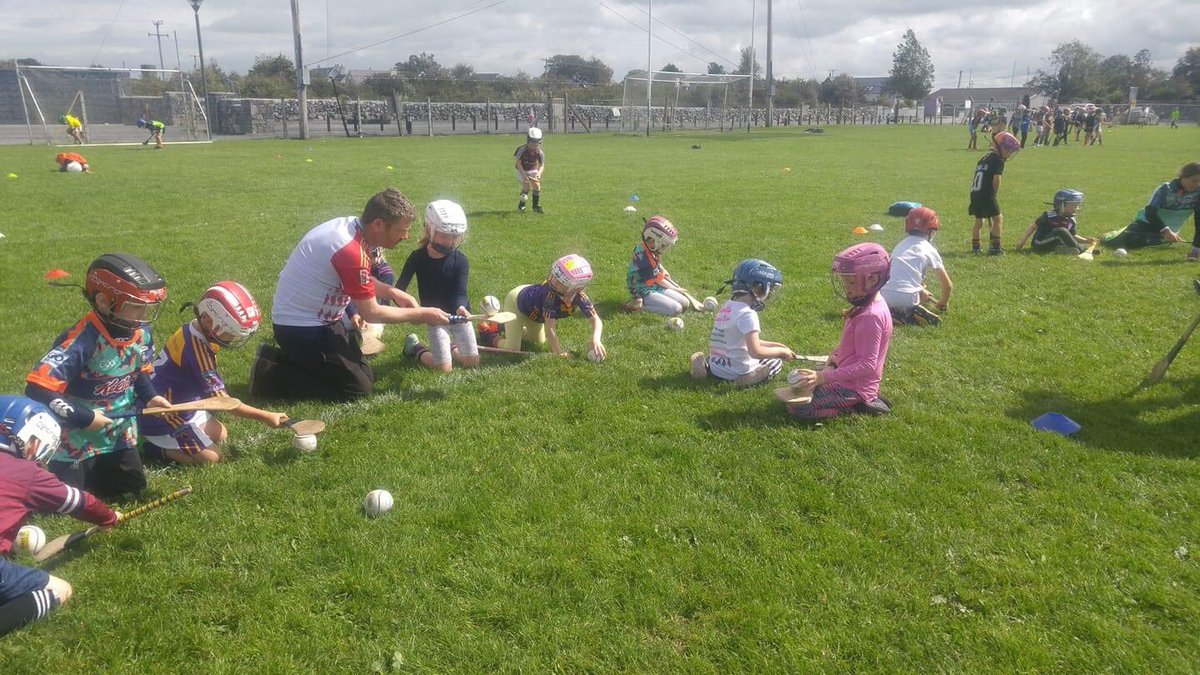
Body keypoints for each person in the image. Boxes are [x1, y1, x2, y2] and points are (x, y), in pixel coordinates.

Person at [251, 188, 450, 401]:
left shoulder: (354, 230)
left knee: (365, 374)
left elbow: (358, 278)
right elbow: (371, 312)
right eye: (401, 230)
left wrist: (393, 292)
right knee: (357, 389)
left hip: (324, 321)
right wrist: (423, 314)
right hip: (300, 328)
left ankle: (299, 362)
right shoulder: (350, 249)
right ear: (378, 224)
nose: (406, 236)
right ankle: (269, 371)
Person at [24, 253, 170, 497]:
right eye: (137, 308)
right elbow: (38, 388)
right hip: (75, 436)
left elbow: (139, 370)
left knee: (131, 491)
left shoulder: (141, 332)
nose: (144, 317)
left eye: (147, 308)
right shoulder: (83, 340)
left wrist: (151, 397)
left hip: (118, 432)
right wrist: (83, 417)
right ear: (104, 301)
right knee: (63, 502)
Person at [0, 396, 120, 638]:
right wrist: (109, 518)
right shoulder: (27, 474)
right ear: (32, 441)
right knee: (60, 589)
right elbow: (82, 503)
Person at [140, 282, 288, 466]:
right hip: (164, 413)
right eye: (230, 332)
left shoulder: (195, 329)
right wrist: (266, 416)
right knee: (213, 459)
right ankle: (150, 447)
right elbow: (225, 403)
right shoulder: (197, 351)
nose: (233, 338)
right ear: (212, 322)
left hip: (184, 403)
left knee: (222, 435)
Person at [787, 243, 894, 421]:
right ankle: (851, 399)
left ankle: (854, 408)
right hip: (845, 377)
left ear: (872, 280)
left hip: (854, 388)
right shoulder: (865, 306)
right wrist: (833, 361)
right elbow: (849, 348)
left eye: (851, 281)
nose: (846, 286)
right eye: (844, 280)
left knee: (797, 409)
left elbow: (867, 365)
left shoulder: (871, 317)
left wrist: (823, 377)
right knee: (805, 387)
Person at [398, 200, 480, 373]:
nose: (450, 242)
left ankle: (449, 348)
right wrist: (411, 312)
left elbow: (461, 292)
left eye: (455, 236)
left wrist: (461, 308)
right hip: (434, 318)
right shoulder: (417, 257)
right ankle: (415, 348)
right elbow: (399, 290)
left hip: (459, 317)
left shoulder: (461, 260)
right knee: (443, 369)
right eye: (445, 235)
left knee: (472, 363)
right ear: (429, 229)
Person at [689, 259, 795, 386]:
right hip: (737, 372)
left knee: (717, 353)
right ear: (758, 288)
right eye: (770, 291)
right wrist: (780, 352)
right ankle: (749, 378)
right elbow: (756, 352)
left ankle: (704, 366)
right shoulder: (748, 314)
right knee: (776, 362)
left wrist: (776, 345)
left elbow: (739, 340)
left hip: (718, 368)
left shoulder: (727, 307)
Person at [501, 254, 606, 359]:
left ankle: (509, 328)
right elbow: (550, 327)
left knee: (538, 343)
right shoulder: (549, 297)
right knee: (512, 350)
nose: (553, 281)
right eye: (555, 276)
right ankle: (490, 335)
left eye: (560, 281)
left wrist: (596, 339)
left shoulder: (580, 296)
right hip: (516, 303)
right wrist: (558, 352)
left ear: (575, 287)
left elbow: (596, 320)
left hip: (534, 313)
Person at [1101, 162, 1200, 259]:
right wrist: (1166, 230)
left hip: (1167, 234)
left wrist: (1195, 250)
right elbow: (1150, 212)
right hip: (1148, 223)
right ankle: (1117, 234)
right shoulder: (1165, 189)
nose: (1196, 184)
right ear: (1183, 176)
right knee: (1111, 241)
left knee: (1138, 243)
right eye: (1194, 180)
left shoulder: (1198, 193)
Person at [881, 207, 953, 326]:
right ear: (932, 231)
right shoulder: (929, 249)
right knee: (910, 297)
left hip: (884, 294)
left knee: (910, 292)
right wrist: (943, 304)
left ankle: (893, 313)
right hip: (908, 297)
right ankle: (909, 314)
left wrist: (921, 290)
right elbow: (947, 285)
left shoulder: (900, 245)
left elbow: (897, 274)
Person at [624, 216, 692, 315]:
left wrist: (662, 269)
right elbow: (659, 280)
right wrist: (674, 288)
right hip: (643, 290)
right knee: (676, 309)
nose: (664, 247)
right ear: (652, 239)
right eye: (663, 245)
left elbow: (656, 265)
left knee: (685, 303)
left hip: (654, 285)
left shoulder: (650, 249)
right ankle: (638, 306)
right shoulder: (641, 256)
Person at [969, 131, 1022, 255]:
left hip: (975, 193)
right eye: (1009, 150)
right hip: (987, 194)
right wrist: (994, 195)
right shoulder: (998, 160)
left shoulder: (983, 159)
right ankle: (995, 248)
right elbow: (996, 179)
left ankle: (976, 247)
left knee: (979, 221)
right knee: (998, 219)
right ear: (1002, 147)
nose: (1009, 155)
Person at [1014, 189, 1095, 254]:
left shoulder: (1071, 220)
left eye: (1078, 205)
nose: (1077, 208)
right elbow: (1033, 227)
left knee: (1062, 233)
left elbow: (1072, 236)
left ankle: (1060, 249)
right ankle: (1083, 250)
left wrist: (1086, 241)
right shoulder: (1049, 216)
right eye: (1074, 205)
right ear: (1061, 205)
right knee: (1061, 231)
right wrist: (1022, 241)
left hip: (1054, 243)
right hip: (1039, 243)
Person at [514, 127, 545, 213]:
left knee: (537, 186)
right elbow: (518, 164)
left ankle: (535, 206)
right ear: (527, 141)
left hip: (532, 169)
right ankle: (521, 206)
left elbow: (542, 165)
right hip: (521, 170)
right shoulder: (522, 150)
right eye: (531, 145)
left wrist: (539, 174)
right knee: (526, 187)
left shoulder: (540, 152)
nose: (533, 147)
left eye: (536, 145)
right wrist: (524, 176)